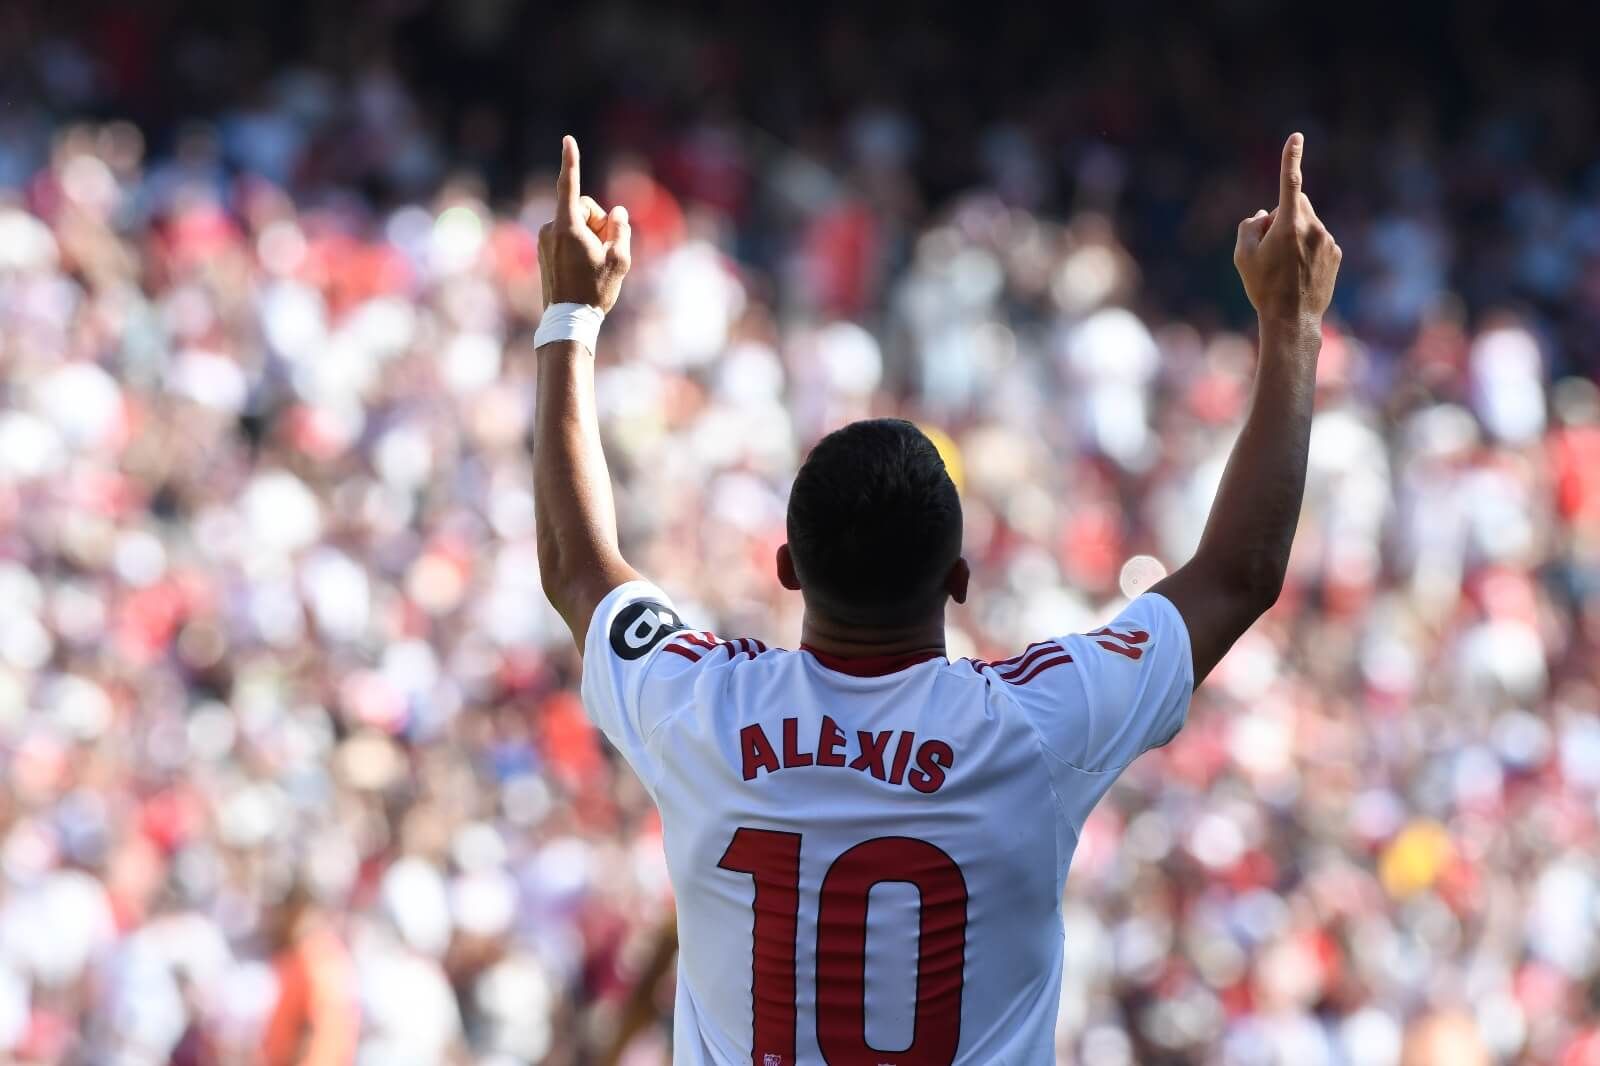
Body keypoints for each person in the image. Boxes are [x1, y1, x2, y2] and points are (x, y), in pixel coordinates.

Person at [531, 132, 1340, 1063]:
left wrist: (569, 317)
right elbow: (1242, 572)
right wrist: (1294, 323)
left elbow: (576, 565)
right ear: (959, 581)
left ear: (787, 566)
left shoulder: (704, 710)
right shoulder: (1033, 726)